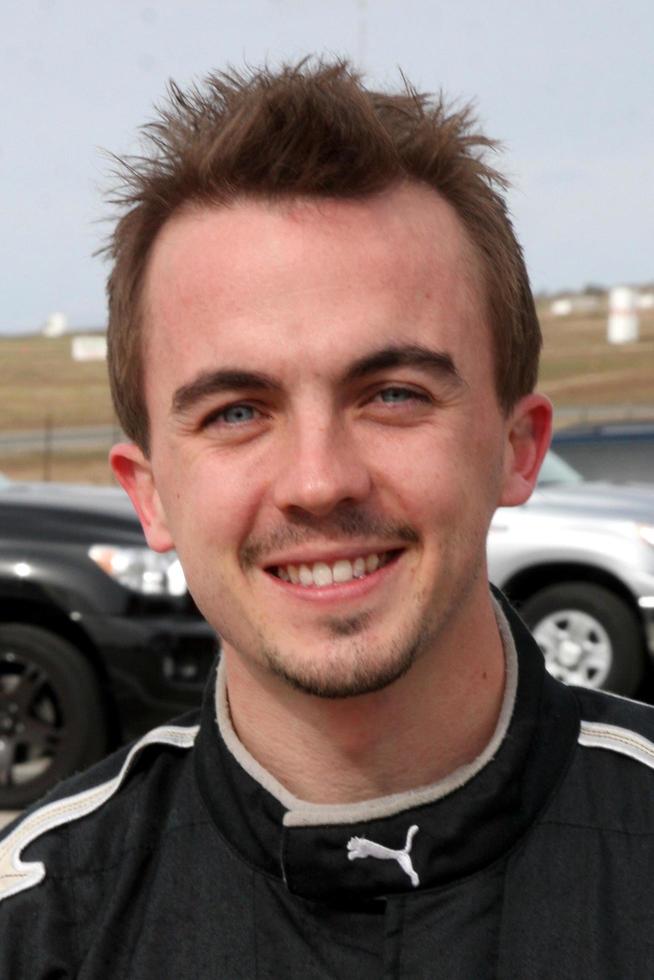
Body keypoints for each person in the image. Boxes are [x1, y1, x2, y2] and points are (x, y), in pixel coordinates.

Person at [1, 60, 653, 979]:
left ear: (518, 446)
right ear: (148, 493)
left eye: (391, 393)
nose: (317, 481)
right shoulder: (39, 923)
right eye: (236, 411)